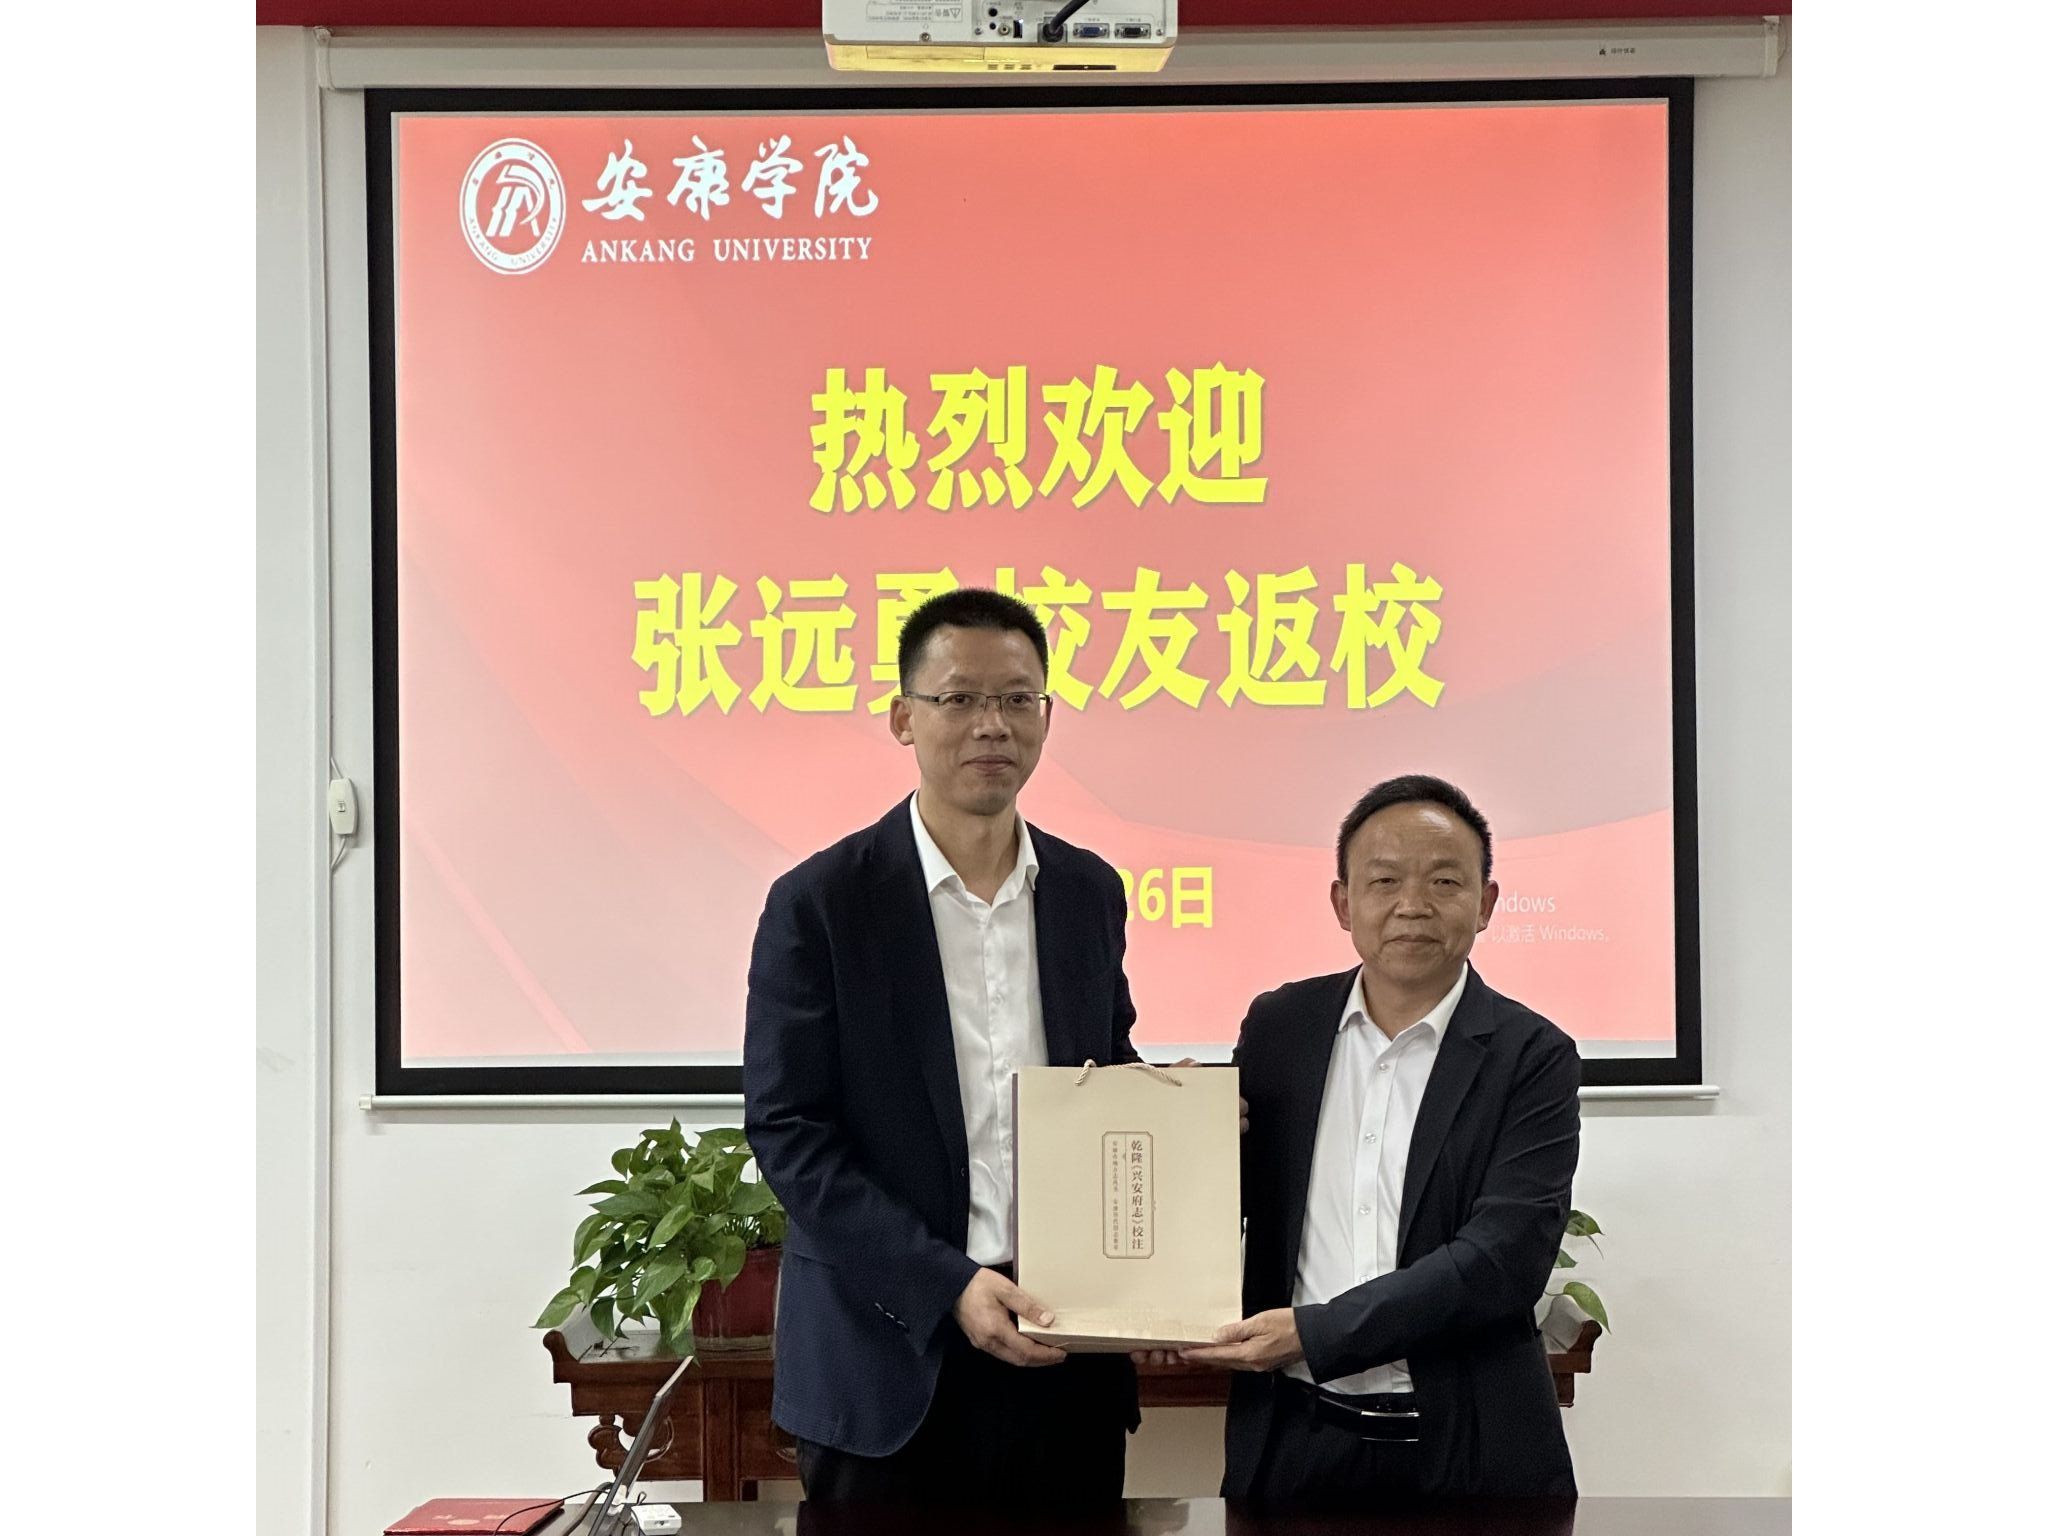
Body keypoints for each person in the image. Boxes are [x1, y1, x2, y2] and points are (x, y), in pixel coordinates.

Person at [742, 588, 1140, 1504]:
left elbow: (1101, 1067)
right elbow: (791, 1131)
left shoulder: (1087, 892)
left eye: (1018, 699)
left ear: (1046, 717)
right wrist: (947, 1284)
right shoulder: (823, 903)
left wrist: (1163, 1107)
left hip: (1063, 1350)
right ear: (903, 717)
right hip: (886, 1357)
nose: (992, 724)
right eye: (960, 698)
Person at [1182, 774, 1581, 1501]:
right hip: (1293, 1447)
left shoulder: (1532, 1056)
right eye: (1385, 880)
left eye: (1445, 881)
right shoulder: (1280, 1030)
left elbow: (1502, 1259)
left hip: (1471, 1454)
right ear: (1343, 903)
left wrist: (1318, 1333)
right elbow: (1226, 1193)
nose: (1412, 905)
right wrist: (1175, 1130)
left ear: (1487, 903)